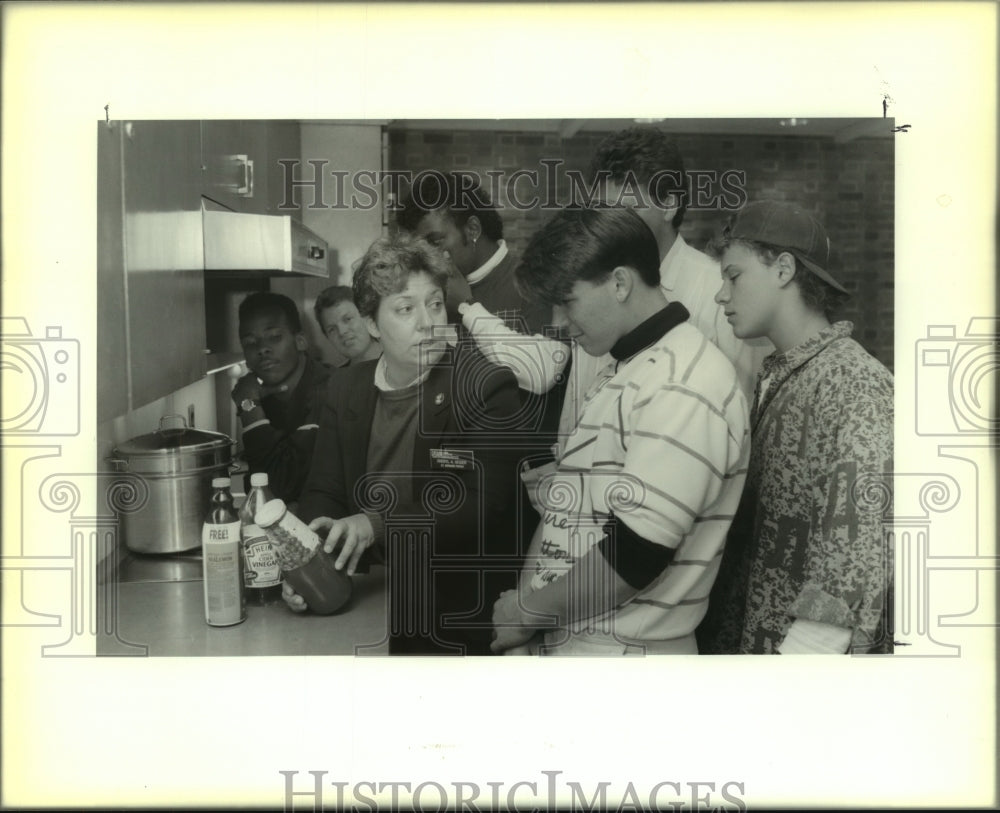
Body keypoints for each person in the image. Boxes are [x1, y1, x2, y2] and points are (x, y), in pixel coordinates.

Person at [490, 205, 750, 656]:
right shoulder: (627, 368)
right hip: (582, 637)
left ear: (620, 282)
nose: (556, 323)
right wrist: (531, 613)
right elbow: (563, 518)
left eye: (566, 301)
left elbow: (635, 557)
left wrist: (526, 614)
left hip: (624, 652)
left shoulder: (683, 380)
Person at [288, 232, 525, 655]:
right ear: (373, 323)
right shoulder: (344, 389)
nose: (428, 322)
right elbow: (324, 491)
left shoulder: (486, 386)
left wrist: (376, 523)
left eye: (435, 304)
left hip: (453, 612)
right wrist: (309, 568)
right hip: (366, 601)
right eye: (405, 309)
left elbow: (480, 505)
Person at [696, 200, 893, 655]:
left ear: (783, 269)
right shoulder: (782, 373)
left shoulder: (853, 383)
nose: (720, 295)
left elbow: (853, 560)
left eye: (734, 275)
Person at [557, 127, 772, 443]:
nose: (609, 224)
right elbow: (577, 407)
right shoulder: (593, 288)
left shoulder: (722, 294)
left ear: (669, 204)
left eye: (625, 209)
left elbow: (744, 422)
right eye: (601, 210)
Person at [232, 292, 331, 505]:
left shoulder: (329, 391)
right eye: (250, 343)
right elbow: (258, 488)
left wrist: (248, 406)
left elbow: (281, 486)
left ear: (300, 341)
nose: (262, 349)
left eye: (275, 337)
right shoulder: (269, 397)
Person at [313, 285, 382, 366]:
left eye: (348, 319)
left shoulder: (397, 365)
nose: (342, 332)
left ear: (368, 317)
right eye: (332, 329)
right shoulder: (339, 377)